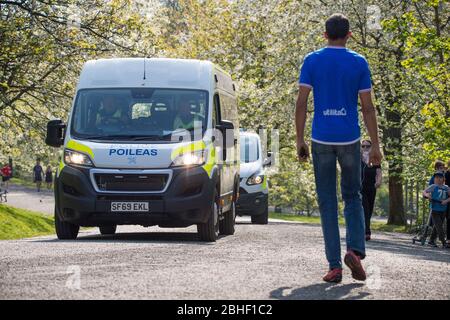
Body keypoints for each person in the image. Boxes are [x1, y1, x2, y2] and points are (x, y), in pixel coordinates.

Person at [295, 13, 382, 283]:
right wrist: (376, 145)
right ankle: (355, 249)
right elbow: (367, 107)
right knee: (353, 196)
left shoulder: (312, 60)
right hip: (350, 139)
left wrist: (300, 140)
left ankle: (334, 266)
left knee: (327, 202)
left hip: (321, 138)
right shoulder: (358, 62)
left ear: (324, 35)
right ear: (349, 35)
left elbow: (301, 104)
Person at [361, 139, 382, 241]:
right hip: (360, 187)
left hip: (371, 187)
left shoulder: (375, 159)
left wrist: (378, 182)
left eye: (367, 146)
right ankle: (367, 232)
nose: (365, 148)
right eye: (363, 146)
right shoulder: (358, 159)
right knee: (365, 209)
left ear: (371, 147)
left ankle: (363, 228)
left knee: (369, 210)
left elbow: (378, 172)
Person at [423, 172, 450, 248]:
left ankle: (431, 241)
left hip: (443, 210)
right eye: (436, 177)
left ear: (443, 179)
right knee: (439, 227)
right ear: (434, 179)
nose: (438, 179)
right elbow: (424, 192)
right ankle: (444, 242)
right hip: (435, 209)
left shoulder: (446, 187)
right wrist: (427, 195)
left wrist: (446, 201)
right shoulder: (433, 186)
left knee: (437, 226)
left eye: (440, 177)